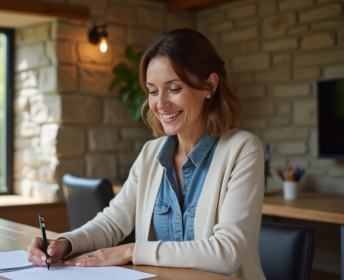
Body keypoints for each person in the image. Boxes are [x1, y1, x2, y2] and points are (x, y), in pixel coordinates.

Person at [27, 28, 266, 280]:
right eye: (153, 91)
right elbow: (113, 222)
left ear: (209, 85)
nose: (160, 104)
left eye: (173, 88)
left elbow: (226, 253)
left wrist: (132, 251)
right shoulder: (151, 153)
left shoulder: (243, 149)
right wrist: (64, 243)